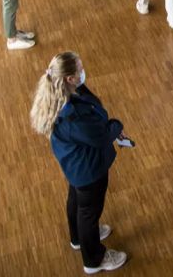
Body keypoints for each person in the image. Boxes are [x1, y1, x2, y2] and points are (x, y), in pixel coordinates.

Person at [29, 51, 129, 273]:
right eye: (80, 70)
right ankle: (93, 259)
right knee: (89, 212)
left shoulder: (63, 95)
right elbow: (100, 136)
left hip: (76, 167)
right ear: (69, 78)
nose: (84, 72)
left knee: (77, 201)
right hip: (89, 171)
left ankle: (77, 238)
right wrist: (117, 126)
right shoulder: (73, 118)